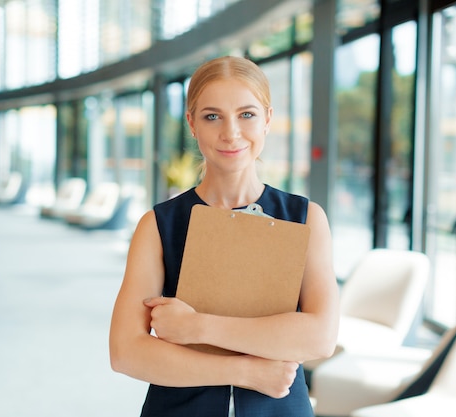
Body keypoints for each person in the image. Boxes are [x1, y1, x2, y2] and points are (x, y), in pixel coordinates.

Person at [109, 56, 339, 417]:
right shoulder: (158, 225)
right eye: (212, 116)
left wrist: (195, 326)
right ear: (192, 124)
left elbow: (320, 336)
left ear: (267, 120)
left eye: (246, 114)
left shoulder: (306, 218)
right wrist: (245, 370)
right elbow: (125, 352)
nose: (230, 132)